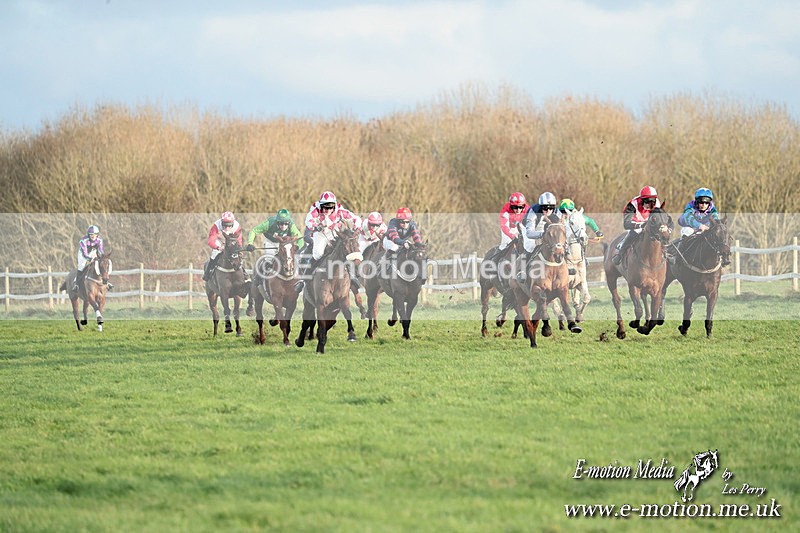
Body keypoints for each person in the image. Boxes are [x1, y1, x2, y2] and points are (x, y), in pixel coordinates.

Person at [295, 191, 362, 293]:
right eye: (325, 206)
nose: (327, 209)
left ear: (334, 205)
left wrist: (357, 228)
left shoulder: (340, 210)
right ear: (320, 205)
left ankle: (352, 276)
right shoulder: (316, 210)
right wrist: (315, 225)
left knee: (345, 250)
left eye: (330, 206)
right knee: (318, 254)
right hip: (321, 234)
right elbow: (308, 220)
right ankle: (304, 280)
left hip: (334, 233)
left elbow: (356, 218)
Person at [612, 185, 669, 265]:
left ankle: (667, 253)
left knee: (662, 233)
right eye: (648, 200)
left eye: (653, 200)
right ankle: (620, 254)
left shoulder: (657, 202)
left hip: (650, 223)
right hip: (636, 223)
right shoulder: (632, 205)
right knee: (635, 233)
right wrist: (641, 225)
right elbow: (626, 224)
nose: (651, 204)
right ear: (642, 200)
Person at [678, 187, 729, 266]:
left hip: (704, 227)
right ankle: (679, 256)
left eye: (706, 203)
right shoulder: (690, 205)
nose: (704, 205)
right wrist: (699, 225)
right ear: (697, 201)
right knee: (688, 231)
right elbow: (688, 218)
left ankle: (722, 258)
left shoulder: (712, 208)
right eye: (701, 202)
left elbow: (715, 220)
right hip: (689, 226)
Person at [516, 192, 560, 282]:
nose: (548, 210)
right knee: (530, 246)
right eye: (544, 207)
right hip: (530, 228)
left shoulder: (557, 211)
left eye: (550, 207)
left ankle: (569, 265)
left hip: (546, 227)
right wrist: (543, 235)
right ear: (540, 206)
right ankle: (522, 271)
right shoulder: (533, 211)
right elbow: (529, 233)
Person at [246, 209, 303, 275]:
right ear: (277, 222)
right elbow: (254, 231)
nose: (284, 226)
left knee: (293, 259)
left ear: (289, 222)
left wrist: (299, 248)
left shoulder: (292, 226)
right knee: (269, 259)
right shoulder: (269, 223)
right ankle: (260, 278)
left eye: (286, 223)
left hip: (285, 244)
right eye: (281, 223)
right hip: (271, 242)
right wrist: (250, 243)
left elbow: (299, 237)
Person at [381, 207, 424, 277]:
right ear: (398, 221)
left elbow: (416, 236)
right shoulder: (393, 223)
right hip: (390, 241)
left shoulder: (413, 224)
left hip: (403, 241)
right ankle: (384, 264)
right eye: (402, 222)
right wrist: (403, 243)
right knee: (394, 247)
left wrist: (419, 245)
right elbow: (394, 237)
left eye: (407, 222)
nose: (405, 224)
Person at [204, 211, 246, 281]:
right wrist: (218, 247)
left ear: (233, 223)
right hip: (219, 241)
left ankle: (243, 272)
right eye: (225, 225)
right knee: (214, 253)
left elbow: (239, 241)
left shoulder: (237, 226)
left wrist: (240, 252)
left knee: (238, 255)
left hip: (231, 241)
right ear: (222, 222)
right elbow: (211, 240)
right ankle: (208, 272)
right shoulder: (216, 225)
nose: (227, 227)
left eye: (229, 225)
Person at [489, 192, 529, 261]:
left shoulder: (527, 209)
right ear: (511, 206)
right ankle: (494, 262)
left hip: (520, 227)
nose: (518, 210)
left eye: (520, 207)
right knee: (504, 245)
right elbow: (504, 227)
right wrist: (512, 236)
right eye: (515, 207)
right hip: (508, 228)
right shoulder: (505, 210)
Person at [73, 224, 112, 291]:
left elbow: (100, 250)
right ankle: (77, 284)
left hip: (93, 252)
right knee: (81, 266)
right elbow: (85, 253)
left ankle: (106, 282)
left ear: (97, 234)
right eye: (91, 234)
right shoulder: (83, 241)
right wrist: (89, 259)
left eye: (94, 234)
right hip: (83, 254)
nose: (93, 236)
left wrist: (102, 257)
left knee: (101, 264)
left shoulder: (100, 240)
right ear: (89, 235)